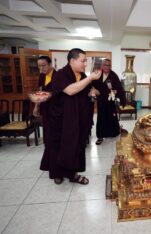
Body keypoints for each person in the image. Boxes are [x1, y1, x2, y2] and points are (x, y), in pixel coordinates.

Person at [40, 48, 102, 185]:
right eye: (83, 61)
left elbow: (85, 91)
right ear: (72, 61)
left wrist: (92, 92)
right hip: (60, 120)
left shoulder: (82, 76)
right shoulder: (61, 74)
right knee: (59, 147)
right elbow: (70, 90)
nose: (85, 64)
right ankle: (58, 173)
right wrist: (91, 77)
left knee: (75, 147)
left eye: (86, 61)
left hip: (77, 120)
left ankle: (72, 174)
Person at [91, 59, 126, 145]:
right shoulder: (98, 74)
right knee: (101, 118)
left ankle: (113, 133)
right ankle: (100, 136)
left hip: (110, 101)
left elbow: (119, 88)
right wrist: (94, 90)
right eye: (105, 65)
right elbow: (92, 85)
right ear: (102, 66)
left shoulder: (113, 75)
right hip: (101, 100)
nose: (107, 67)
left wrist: (116, 91)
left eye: (109, 65)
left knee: (112, 117)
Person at [33, 56, 56, 144]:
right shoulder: (42, 76)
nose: (41, 68)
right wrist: (36, 106)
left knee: (55, 129)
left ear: (50, 64)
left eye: (43, 65)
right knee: (46, 128)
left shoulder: (58, 75)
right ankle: (47, 145)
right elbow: (40, 91)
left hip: (55, 108)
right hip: (45, 107)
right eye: (39, 66)